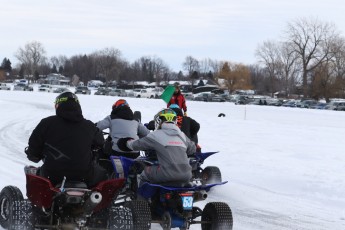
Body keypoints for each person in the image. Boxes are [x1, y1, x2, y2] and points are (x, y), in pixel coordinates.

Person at [25, 91, 107, 187]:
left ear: (58, 105)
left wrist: (33, 155)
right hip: (84, 175)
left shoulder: (46, 123)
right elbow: (101, 143)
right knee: (104, 176)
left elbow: (34, 147)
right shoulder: (89, 126)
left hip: (52, 175)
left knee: (34, 177)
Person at [117, 108, 196, 185]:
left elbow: (136, 145)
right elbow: (192, 149)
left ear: (158, 121)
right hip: (187, 174)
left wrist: (125, 142)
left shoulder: (156, 135)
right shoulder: (182, 135)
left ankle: (139, 197)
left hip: (166, 174)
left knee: (143, 173)